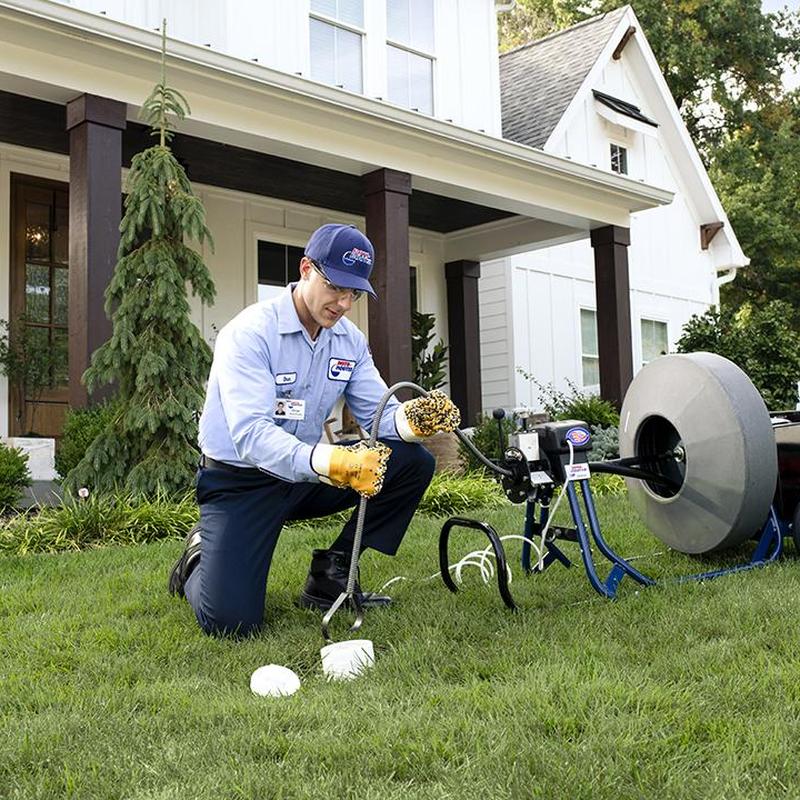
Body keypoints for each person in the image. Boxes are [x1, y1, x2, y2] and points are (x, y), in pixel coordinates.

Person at [168, 223, 460, 636]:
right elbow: (251, 434)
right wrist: (334, 460)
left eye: (354, 293)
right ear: (306, 269)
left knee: (411, 461)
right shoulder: (251, 334)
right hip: (242, 481)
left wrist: (413, 421)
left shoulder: (349, 342)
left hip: (305, 476)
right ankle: (198, 557)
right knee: (231, 624)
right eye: (335, 286)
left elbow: (377, 413)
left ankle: (331, 577)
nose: (343, 303)